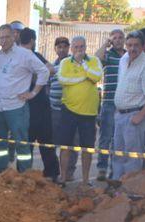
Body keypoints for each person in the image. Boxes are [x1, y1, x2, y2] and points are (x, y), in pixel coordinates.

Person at [0, 24, 49, 174]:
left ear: (14, 37)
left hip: (16, 106)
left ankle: (25, 174)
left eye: (6, 37)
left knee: (21, 143)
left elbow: (44, 72)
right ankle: (2, 171)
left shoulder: (24, 54)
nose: (3, 41)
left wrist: (33, 93)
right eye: (0, 38)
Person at [111, 31, 145, 180]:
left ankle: (128, 188)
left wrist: (141, 115)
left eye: (136, 45)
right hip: (120, 115)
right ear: (126, 45)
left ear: (143, 45)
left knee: (132, 157)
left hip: (134, 116)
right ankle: (116, 184)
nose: (132, 49)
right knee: (118, 153)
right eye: (130, 45)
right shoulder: (124, 60)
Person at [55, 35, 103, 185]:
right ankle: (63, 177)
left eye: (81, 47)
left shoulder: (94, 61)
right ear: (72, 48)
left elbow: (96, 77)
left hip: (89, 113)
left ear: (86, 47)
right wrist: (83, 77)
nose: (79, 50)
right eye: (76, 47)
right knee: (65, 146)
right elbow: (63, 79)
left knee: (87, 148)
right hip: (69, 110)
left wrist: (84, 65)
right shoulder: (65, 62)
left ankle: (86, 180)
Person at [19, 28, 59, 181]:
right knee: (41, 142)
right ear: (33, 41)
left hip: (34, 106)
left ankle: (28, 174)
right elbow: (50, 69)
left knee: (38, 143)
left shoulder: (34, 56)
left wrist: (36, 76)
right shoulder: (30, 56)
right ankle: (46, 174)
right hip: (32, 106)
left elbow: (51, 69)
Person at [95, 28, 125, 181]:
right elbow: (95, 59)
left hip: (123, 104)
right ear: (111, 40)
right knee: (105, 137)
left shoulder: (128, 55)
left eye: (121, 37)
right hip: (108, 102)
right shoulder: (107, 54)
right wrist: (105, 45)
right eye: (115, 38)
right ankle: (101, 168)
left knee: (117, 139)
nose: (118, 40)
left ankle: (115, 170)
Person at [49, 37, 71, 179]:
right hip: (54, 110)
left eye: (64, 46)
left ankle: (67, 173)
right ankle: (56, 172)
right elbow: (47, 85)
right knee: (53, 144)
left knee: (68, 145)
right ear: (55, 49)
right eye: (59, 47)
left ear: (68, 48)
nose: (62, 49)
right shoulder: (51, 66)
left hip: (69, 111)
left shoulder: (72, 64)